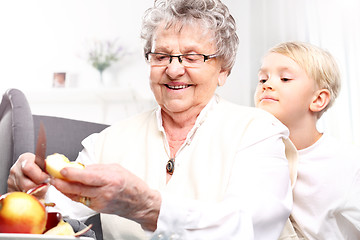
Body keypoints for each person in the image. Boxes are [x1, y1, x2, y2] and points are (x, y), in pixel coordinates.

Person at [8, 1, 296, 239]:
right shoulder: (106, 142)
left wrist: (150, 208)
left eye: (192, 57)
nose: (173, 70)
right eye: (161, 56)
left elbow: (253, 226)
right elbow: (49, 213)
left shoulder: (258, 131)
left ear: (224, 70)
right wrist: (27, 191)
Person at [254, 41, 360, 240]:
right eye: (262, 79)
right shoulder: (250, 153)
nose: (267, 85)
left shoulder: (348, 163)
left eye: (285, 79)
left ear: (318, 100)